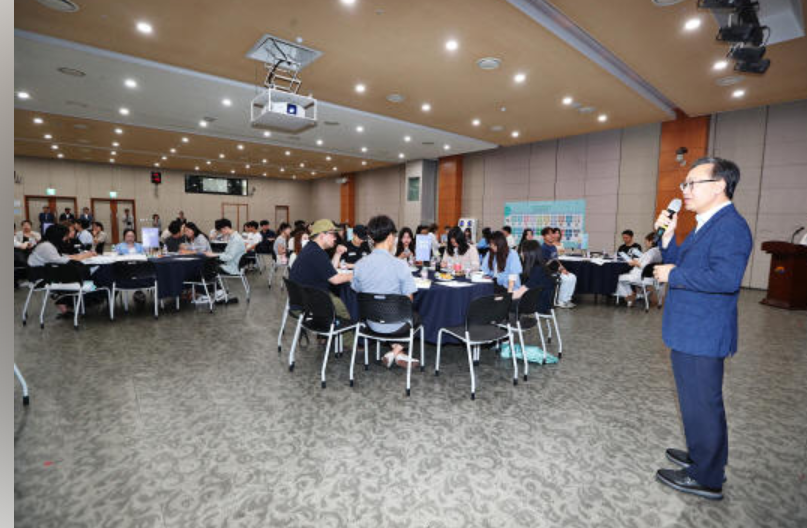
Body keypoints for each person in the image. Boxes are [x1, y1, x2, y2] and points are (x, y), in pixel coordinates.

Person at [652, 157, 752, 501]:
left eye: (692, 183)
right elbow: (683, 262)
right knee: (695, 402)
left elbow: (725, 279)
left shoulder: (730, 226)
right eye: (685, 184)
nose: (685, 190)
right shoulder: (705, 223)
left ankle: (707, 477)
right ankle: (702, 455)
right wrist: (668, 238)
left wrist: (674, 274)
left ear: (719, 185)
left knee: (703, 404)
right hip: (690, 329)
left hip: (702, 332)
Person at [352, 215, 419, 368]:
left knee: (389, 313)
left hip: (371, 322)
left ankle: (395, 353)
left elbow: (357, 291)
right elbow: (408, 301)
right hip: (395, 324)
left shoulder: (360, 264)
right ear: (390, 237)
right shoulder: (400, 265)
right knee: (418, 315)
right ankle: (395, 352)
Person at [288, 219, 353, 338]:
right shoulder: (317, 253)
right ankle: (348, 344)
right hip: (310, 302)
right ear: (322, 235)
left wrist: (337, 254)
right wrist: (356, 274)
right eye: (332, 234)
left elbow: (330, 272)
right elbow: (335, 279)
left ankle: (328, 337)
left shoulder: (311, 249)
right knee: (343, 308)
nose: (335, 238)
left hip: (301, 299)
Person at [27, 223, 97, 315]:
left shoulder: (47, 244)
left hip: (45, 274)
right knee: (82, 273)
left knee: (79, 272)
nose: (66, 238)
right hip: (41, 278)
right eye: (65, 235)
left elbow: (61, 257)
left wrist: (78, 256)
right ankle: (78, 299)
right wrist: (82, 256)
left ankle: (71, 301)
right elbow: (62, 261)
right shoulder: (47, 246)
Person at [615, 232, 662, 306]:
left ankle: (630, 296)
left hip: (640, 276)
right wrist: (637, 261)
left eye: (646, 242)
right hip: (652, 277)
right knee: (624, 280)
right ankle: (633, 295)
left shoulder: (651, 252)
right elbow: (648, 263)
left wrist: (634, 263)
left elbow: (643, 265)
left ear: (651, 242)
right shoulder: (659, 251)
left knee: (618, 278)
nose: (645, 244)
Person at [541, 227, 577, 308]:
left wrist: (563, 268)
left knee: (572, 277)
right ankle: (560, 301)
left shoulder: (553, 247)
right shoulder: (543, 248)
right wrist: (559, 269)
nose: (551, 236)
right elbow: (546, 264)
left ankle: (567, 299)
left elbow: (556, 260)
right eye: (548, 234)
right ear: (543, 236)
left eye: (552, 234)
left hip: (556, 269)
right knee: (566, 279)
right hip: (549, 272)